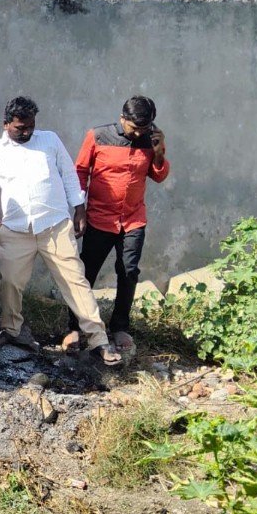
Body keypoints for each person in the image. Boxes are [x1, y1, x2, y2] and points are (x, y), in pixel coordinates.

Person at [0, 97, 121, 365]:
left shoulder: (50, 141)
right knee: (10, 283)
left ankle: (98, 339)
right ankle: (11, 330)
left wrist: (79, 208)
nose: (26, 132)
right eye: (20, 127)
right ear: (6, 124)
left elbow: (69, 175)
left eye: (30, 126)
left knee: (75, 281)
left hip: (54, 226)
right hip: (15, 230)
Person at [64, 95, 169, 353]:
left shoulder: (151, 140)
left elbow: (158, 176)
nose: (139, 133)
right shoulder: (98, 136)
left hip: (133, 219)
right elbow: (80, 171)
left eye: (144, 128)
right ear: (123, 118)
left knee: (129, 271)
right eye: (134, 128)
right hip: (100, 217)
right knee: (86, 272)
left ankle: (120, 326)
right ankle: (75, 327)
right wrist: (79, 209)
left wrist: (159, 153)